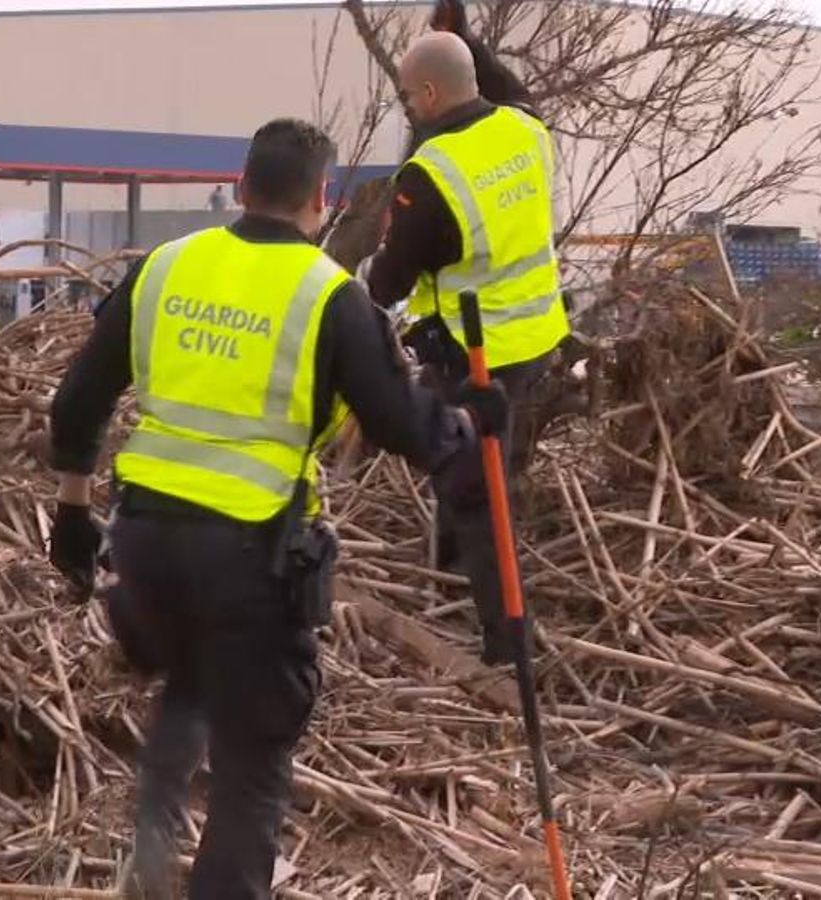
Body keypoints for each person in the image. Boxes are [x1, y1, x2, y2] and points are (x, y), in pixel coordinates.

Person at [46, 118, 505, 900]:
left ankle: (152, 836)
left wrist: (73, 513)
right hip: (251, 554)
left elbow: (78, 400)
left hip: (146, 544)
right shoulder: (328, 295)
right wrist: (469, 425)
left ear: (240, 184)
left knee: (190, 679)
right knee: (253, 767)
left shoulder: (165, 267)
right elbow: (400, 423)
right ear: (321, 199)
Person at [357, 17, 567, 654]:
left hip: (475, 355)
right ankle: (449, 572)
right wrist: (459, 26)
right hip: (538, 337)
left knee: (475, 491)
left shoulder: (430, 175)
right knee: (484, 472)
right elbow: (501, 83)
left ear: (425, 96)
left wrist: (362, 287)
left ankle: (508, 638)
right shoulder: (526, 129)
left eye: (405, 95)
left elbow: (392, 277)